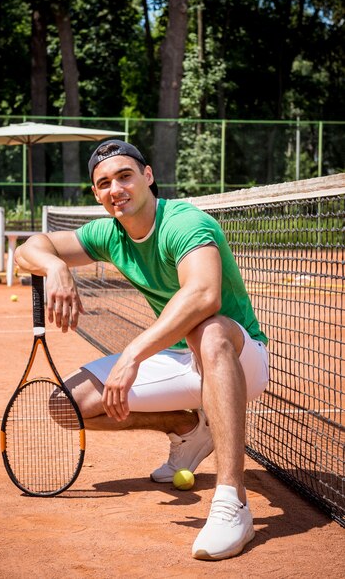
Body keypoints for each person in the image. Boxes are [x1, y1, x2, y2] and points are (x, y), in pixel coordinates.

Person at [15, 139, 269, 561]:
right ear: (97, 194)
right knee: (66, 406)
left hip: (239, 358)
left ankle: (232, 503)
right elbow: (28, 248)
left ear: (148, 176)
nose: (116, 188)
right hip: (182, 362)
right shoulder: (108, 233)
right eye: (104, 183)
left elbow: (204, 295)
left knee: (207, 331)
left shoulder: (184, 222)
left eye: (125, 176)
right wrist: (55, 266)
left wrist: (132, 354)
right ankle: (187, 428)